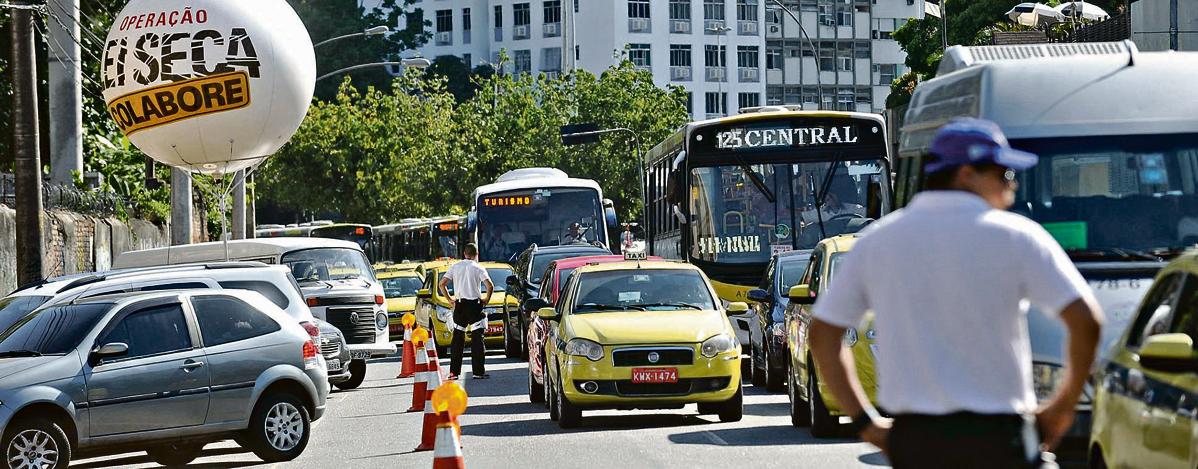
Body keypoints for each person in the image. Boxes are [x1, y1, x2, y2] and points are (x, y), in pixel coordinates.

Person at [808, 118, 1104, 468]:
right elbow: (1087, 321)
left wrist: (864, 422)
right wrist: (1062, 406)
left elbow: (823, 333)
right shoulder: (1018, 237)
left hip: (916, 441)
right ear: (966, 173)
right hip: (1001, 439)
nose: (1012, 184)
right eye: (1004, 173)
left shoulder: (878, 241)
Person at [439, 243, 494, 380]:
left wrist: (450, 300)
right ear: (476, 255)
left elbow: (442, 284)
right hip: (474, 305)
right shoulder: (479, 268)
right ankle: (478, 371)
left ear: (464, 253)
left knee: (457, 339)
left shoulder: (455, 267)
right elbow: (490, 286)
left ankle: (454, 372)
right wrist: (485, 299)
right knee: (477, 338)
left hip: (460, 305)